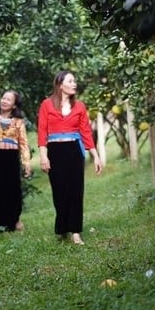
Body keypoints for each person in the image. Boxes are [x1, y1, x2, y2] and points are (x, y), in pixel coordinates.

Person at [37, 70, 102, 245]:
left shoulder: (79, 106)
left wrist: (95, 155)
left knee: (75, 190)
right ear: (60, 85)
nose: (74, 84)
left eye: (74, 81)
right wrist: (43, 155)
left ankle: (75, 231)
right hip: (54, 150)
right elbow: (42, 130)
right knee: (59, 191)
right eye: (70, 81)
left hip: (74, 149)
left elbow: (86, 131)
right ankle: (62, 228)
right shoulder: (47, 105)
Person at [0, 90, 32, 232]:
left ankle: (14, 220)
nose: (4, 101)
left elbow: (23, 143)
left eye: (8, 100)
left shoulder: (18, 122)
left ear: (14, 105)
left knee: (13, 190)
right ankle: (1, 224)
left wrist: (26, 163)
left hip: (11, 159)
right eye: (3, 98)